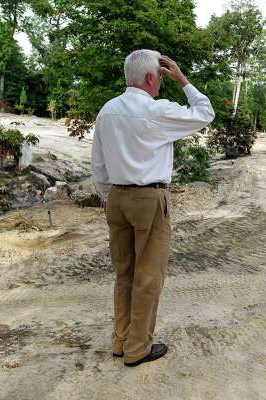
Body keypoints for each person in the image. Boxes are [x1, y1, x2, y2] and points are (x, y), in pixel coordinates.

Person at [91, 49, 215, 367]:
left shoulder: (107, 110)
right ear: (150, 77)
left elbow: (99, 165)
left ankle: (121, 341)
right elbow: (205, 113)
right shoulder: (156, 111)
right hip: (148, 199)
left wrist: (111, 196)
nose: (161, 82)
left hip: (116, 198)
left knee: (124, 275)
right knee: (148, 277)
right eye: (160, 77)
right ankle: (137, 349)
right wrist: (183, 79)